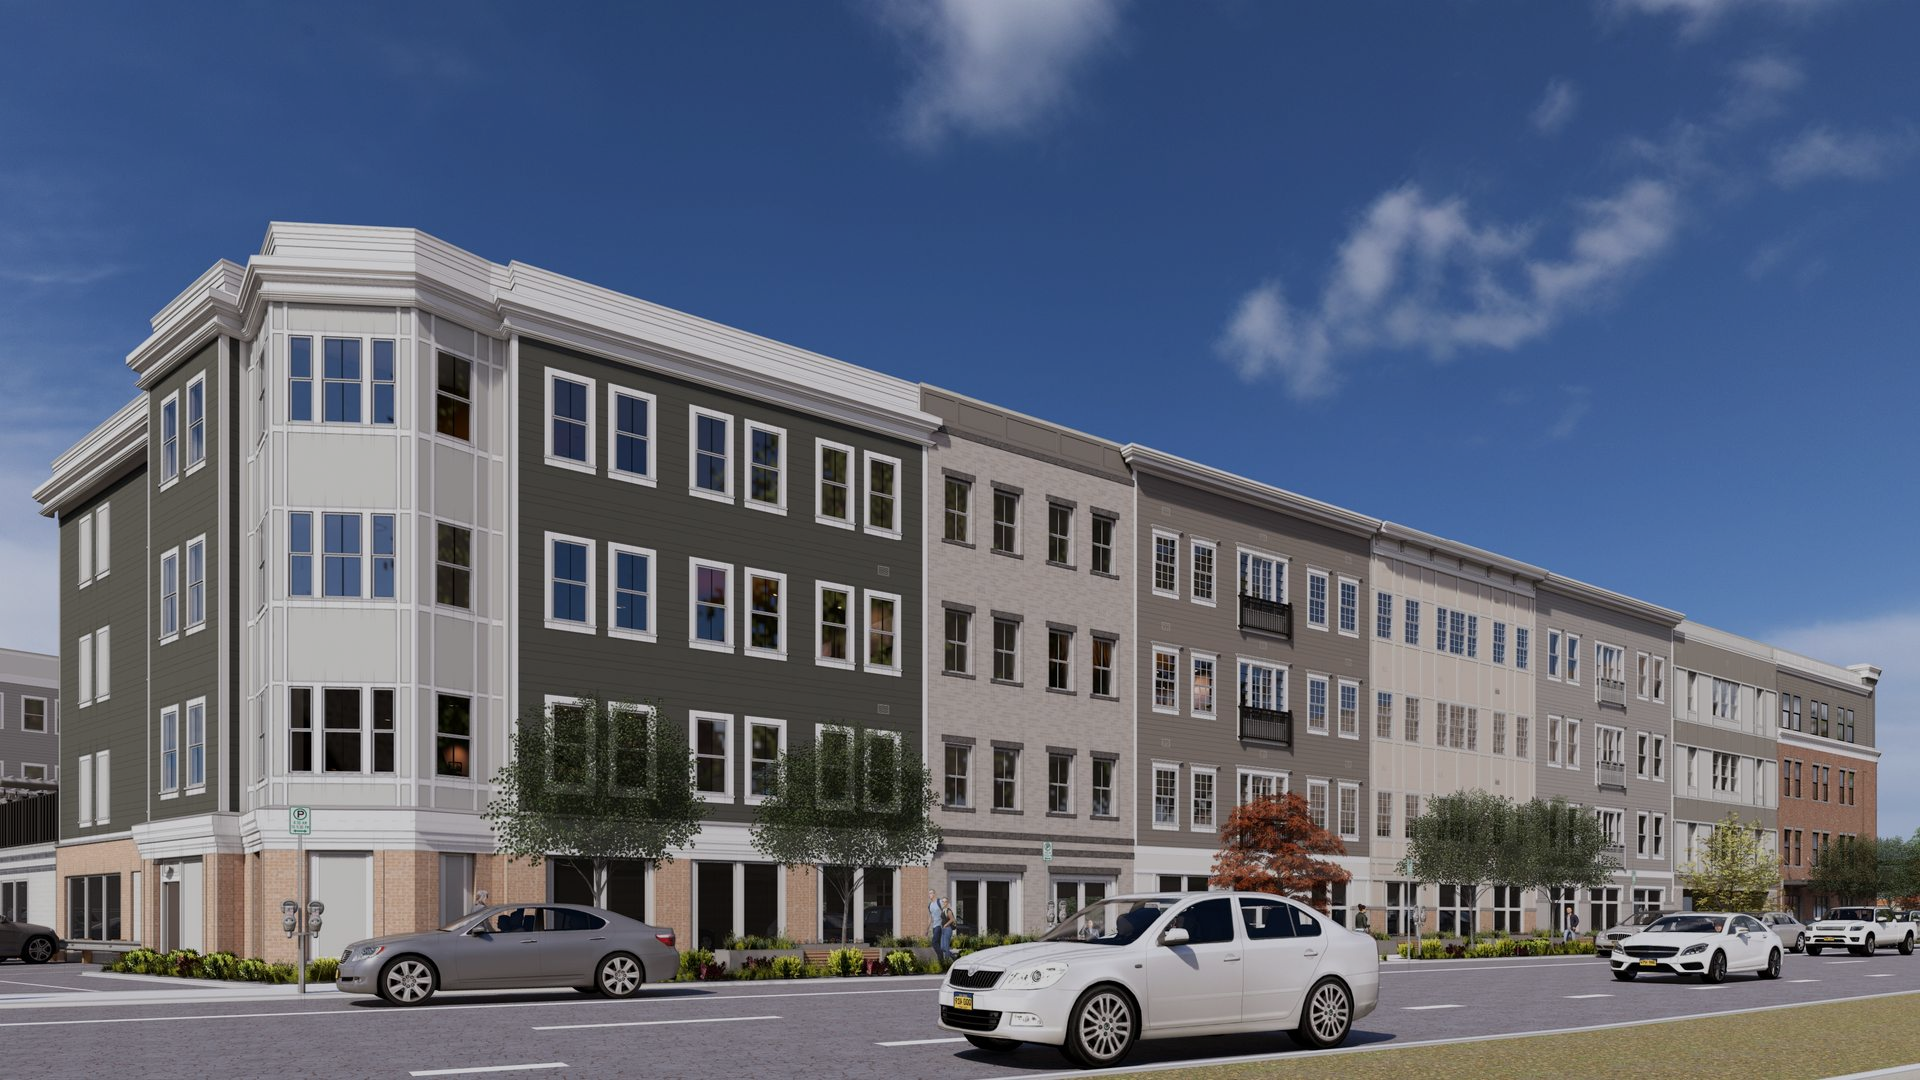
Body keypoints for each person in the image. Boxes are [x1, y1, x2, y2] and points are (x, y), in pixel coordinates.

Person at [939, 898, 957, 963]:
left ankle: (946, 963)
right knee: (942, 947)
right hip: (943, 930)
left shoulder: (948, 910)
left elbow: (952, 919)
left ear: (947, 903)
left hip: (948, 929)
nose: (944, 903)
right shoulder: (943, 910)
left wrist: (945, 925)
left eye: (945, 902)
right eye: (943, 902)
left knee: (946, 947)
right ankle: (954, 957)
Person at [926, 890, 943, 959]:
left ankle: (941, 956)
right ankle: (942, 961)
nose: (929, 895)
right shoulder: (930, 905)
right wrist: (927, 929)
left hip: (940, 926)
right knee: (938, 944)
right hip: (934, 927)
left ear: (934, 894)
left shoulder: (939, 902)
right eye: (929, 894)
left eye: (930, 893)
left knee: (934, 942)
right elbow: (930, 917)